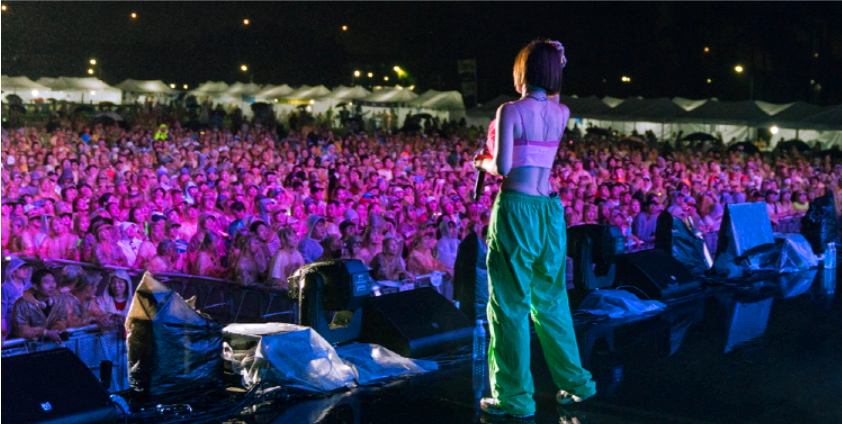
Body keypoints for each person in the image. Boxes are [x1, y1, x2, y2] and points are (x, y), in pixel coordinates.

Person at [472, 39, 595, 419]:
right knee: (552, 300)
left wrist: (481, 162)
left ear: (522, 71)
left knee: (508, 305)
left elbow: (504, 166)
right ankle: (576, 385)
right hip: (550, 210)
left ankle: (515, 399)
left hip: (517, 209)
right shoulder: (561, 112)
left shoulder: (510, 110)